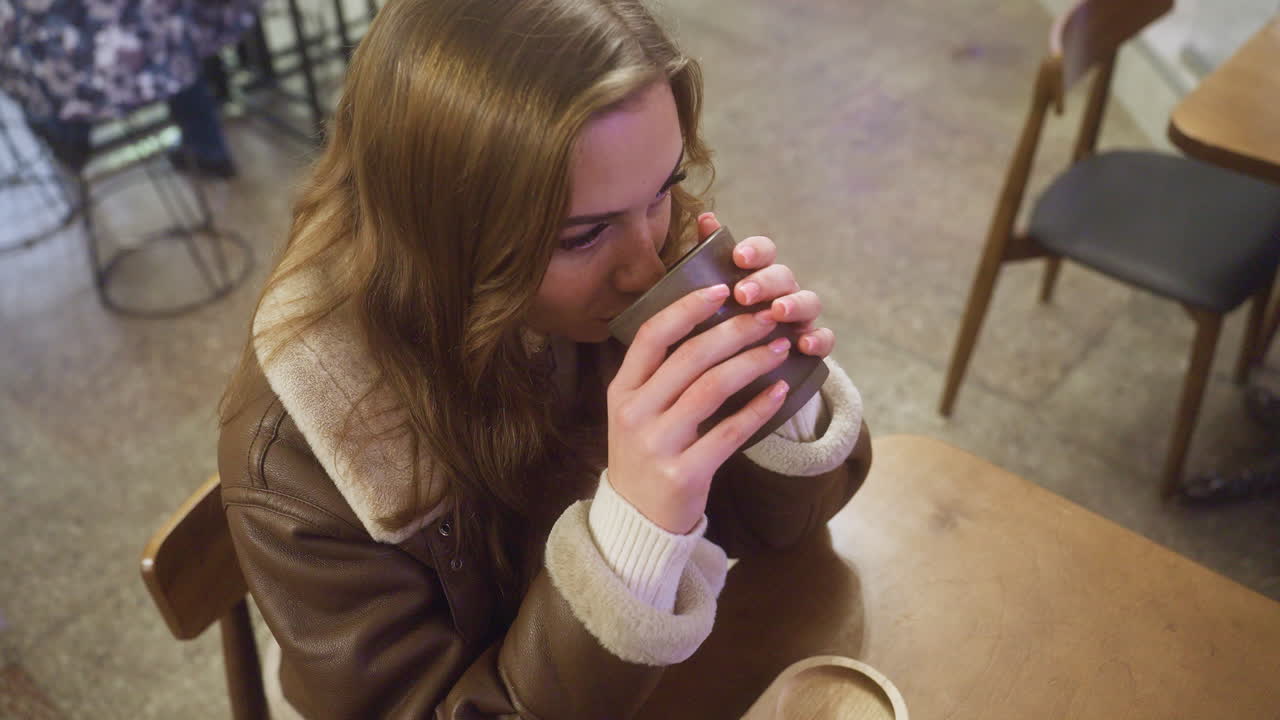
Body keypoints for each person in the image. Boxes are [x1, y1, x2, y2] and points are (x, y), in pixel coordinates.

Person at [215, 0, 872, 717]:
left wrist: (776, 397)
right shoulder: (300, 452)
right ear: (444, 233)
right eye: (582, 236)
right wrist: (633, 539)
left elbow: (781, 534)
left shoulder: (634, 241)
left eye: (665, 188)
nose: (645, 264)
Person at [0, 0, 255, 176]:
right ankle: (208, 147)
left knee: (33, 71)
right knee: (176, 47)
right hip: (160, 59)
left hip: (73, 84)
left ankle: (73, 150)